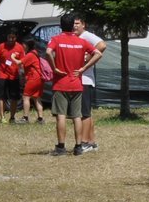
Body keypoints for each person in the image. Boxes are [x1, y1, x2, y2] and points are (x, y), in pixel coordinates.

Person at [47, 14, 100, 155]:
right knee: (77, 116)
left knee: (61, 116)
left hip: (60, 83)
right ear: (72, 26)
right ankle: (78, 147)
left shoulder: (56, 39)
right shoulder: (80, 41)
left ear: (60, 25)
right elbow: (98, 53)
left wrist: (54, 68)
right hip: (77, 83)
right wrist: (83, 68)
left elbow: (48, 52)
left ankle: (61, 147)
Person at [73, 17, 107, 150]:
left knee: (84, 113)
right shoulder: (77, 37)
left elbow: (102, 45)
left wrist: (87, 58)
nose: (75, 26)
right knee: (87, 112)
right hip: (85, 79)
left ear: (83, 25)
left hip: (85, 79)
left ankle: (85, 142)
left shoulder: (86, 36)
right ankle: (92, 142)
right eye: (73, 24)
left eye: (77, 24)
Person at [0, 30, 25, 124]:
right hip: (2, 75)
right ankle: (2, 117)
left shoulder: (20, 47)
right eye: (9, 37)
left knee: (14, 98)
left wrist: (23, 75)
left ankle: (12, 117)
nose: (11, 39)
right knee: (2, 97)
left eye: (13, 37)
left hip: (14, 76)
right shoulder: (1, 46)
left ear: (16, 37)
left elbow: (22, 62)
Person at [20, 39, 47, 124]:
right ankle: (40, 118)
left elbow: (19, 62)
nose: (22, 46)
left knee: (26, 97)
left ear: (27, 45)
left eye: (23, 45)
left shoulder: (30, 54)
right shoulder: (35, 52)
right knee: (36, 98)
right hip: (40, 78)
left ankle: (25, 118)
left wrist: (12, 57)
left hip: (33, 78)